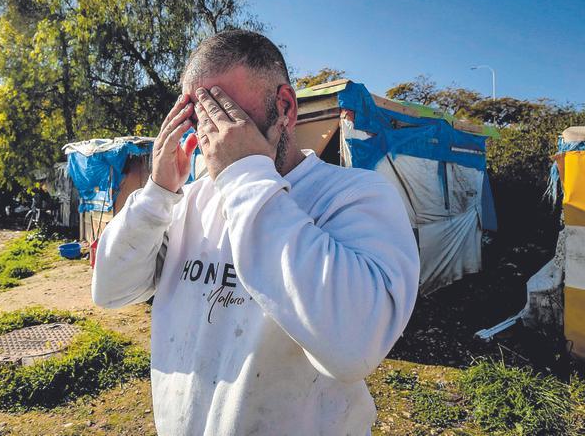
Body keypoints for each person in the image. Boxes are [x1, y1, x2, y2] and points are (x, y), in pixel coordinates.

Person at [92, 29, 420, 435]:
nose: (211, 132)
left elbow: (354, 347)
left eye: (225, 111)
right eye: (199, 115)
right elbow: (109, 290)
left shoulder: (356, 197)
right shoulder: (189, 201)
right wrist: (158, 192)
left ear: (284, 107)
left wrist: (245, 174)